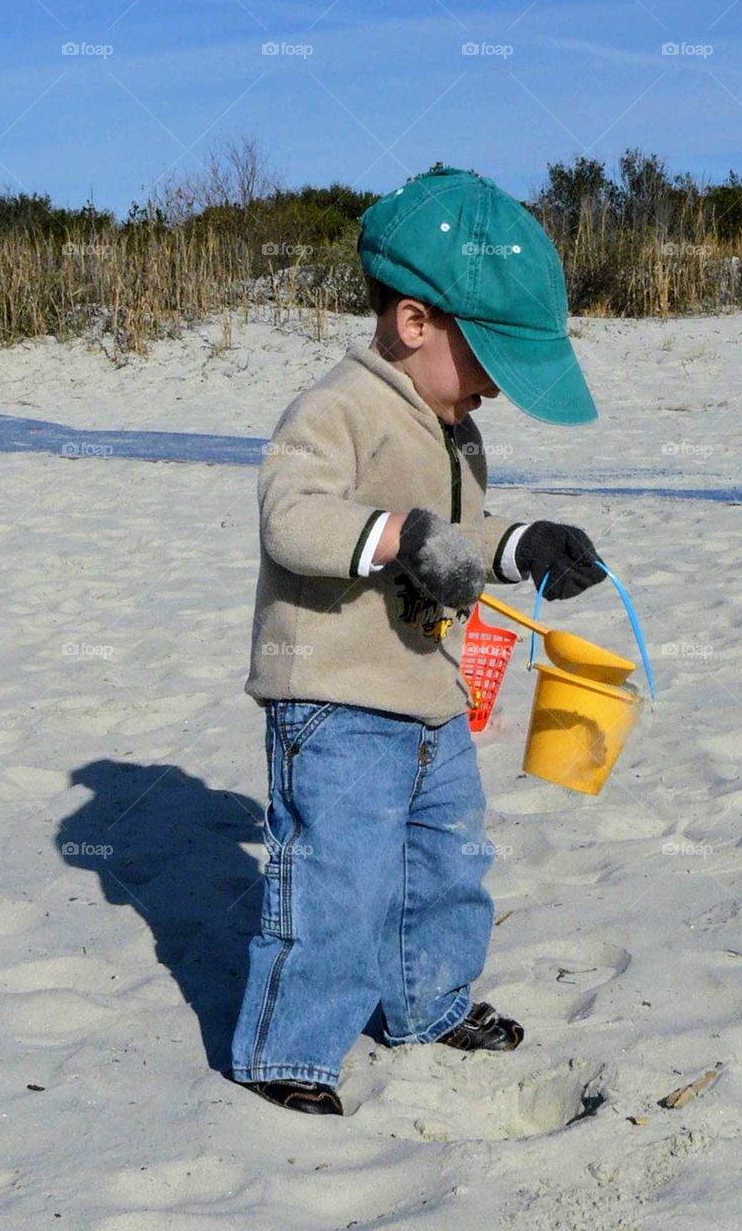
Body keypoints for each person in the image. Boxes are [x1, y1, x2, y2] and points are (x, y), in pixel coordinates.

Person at [229, 165, 606, 1115]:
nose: (492, 388)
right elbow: (293, 518)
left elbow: (456, 540)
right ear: (413, 323)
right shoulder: (336, 408)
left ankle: (426, 1007)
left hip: (431, 695)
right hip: (334, 697)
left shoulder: (451, 426)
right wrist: (399, 537)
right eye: (487, 359)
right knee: (339, 880)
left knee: (446, 862)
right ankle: (293, 1049)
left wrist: (519, 546)